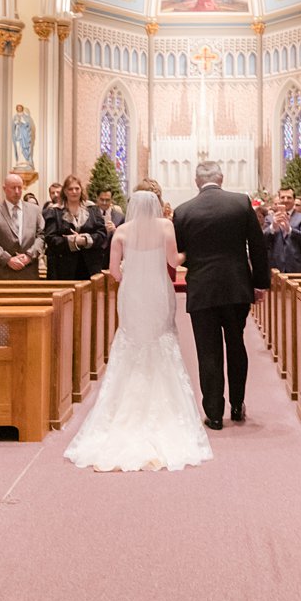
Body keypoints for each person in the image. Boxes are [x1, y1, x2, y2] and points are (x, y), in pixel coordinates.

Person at [64, 191, 213, 472]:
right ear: (155, 206)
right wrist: (188, 252)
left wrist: (130, 270)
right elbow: (175, 262)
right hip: (157, 292)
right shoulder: (165, 226)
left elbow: (114, 272)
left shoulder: (121, 232)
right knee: (161, 341)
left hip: (132, 294)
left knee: (130, 343)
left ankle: (121, 412)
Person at [172, 161, 271, 429]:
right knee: (236, 344)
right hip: (236, 286)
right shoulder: (240, 203)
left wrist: (199, 265)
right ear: (222, 178)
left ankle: (214, 413)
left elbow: (179, 255)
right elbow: (257, 245)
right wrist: (260, 283)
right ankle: (237, 405)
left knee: (208, 351)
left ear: (196, 181)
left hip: (202, 288)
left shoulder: (182, 211)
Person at [43, 175, 107, 280]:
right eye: (70, 189)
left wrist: (85, 240)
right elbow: (50, 238)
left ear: (81, 190)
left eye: (77, 188)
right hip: (62, 267)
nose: (74, 191)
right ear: (65, 191)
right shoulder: (54, 211)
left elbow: (102, 234)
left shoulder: (93, 209)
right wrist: (72, 241)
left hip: (90, 266)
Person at [0, 173, 45, 279]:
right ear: (4, 188)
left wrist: (29, 256)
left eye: (19, 188)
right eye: (13, 188)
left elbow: (41, 236)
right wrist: (8, 259)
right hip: (4, 272)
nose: (17, 191)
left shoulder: (34, 210)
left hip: (29, 271)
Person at [263, 186, 301, 274]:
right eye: (282, 197)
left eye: (289, 197)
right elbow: (262, 240)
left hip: (296, 268)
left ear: (294, 200)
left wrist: (289, 230)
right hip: (274, 268)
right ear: (279, 199)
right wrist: (273, 227)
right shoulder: (269, 219)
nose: (285, 200)